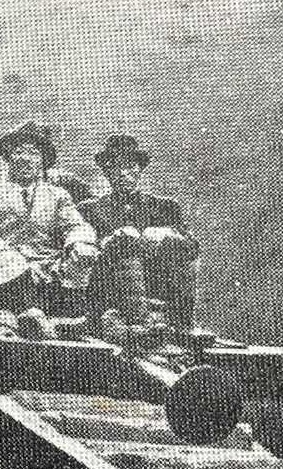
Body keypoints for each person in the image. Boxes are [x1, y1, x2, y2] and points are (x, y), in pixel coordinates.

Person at [0, 121, 97, 321]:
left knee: (81, 260)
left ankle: (66, 320)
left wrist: (80, 242)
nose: (25, 159)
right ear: (9, 157)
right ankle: (32, 318)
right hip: (8, 268)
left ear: (43, 161)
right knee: (12, 269)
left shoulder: (58, 195)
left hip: (48, 266)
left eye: (33, 153)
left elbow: (75, 225)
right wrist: (3, 254)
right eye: (19, 152)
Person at [79, 135, 200, 328]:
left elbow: (192, 247)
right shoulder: (90, 209)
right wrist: (111, 240)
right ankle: (141, 321)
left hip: (157, 285)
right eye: (115, 167)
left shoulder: (165, 207)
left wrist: (166, 233)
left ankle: (180, 323)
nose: (122, 173)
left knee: (177, 246)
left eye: (129, 166)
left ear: (139, 169)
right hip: (109, 290)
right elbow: (82, 247)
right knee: (123, 242)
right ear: (106, 172)